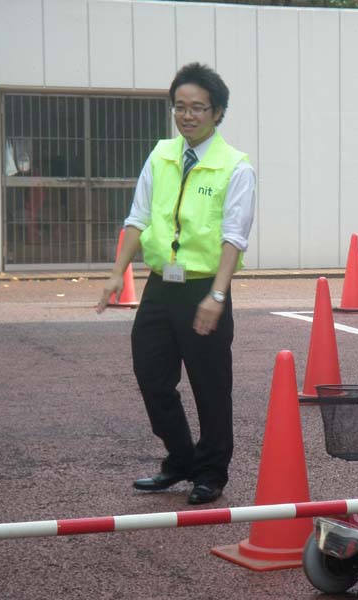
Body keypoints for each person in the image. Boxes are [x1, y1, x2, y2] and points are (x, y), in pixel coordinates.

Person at [96, 62, 255, 505]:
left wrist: (217, 296)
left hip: (203, 288)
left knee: (210, 385)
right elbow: (137, 218)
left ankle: (211, 473)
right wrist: (115, 274)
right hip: (160, 288)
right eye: (180, 107)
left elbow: (233, 237)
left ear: (218, 112)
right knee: (150, 376)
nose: (188, 116)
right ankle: (181, 458)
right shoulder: (161, 155)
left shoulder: (235, 167)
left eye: (198, 108)